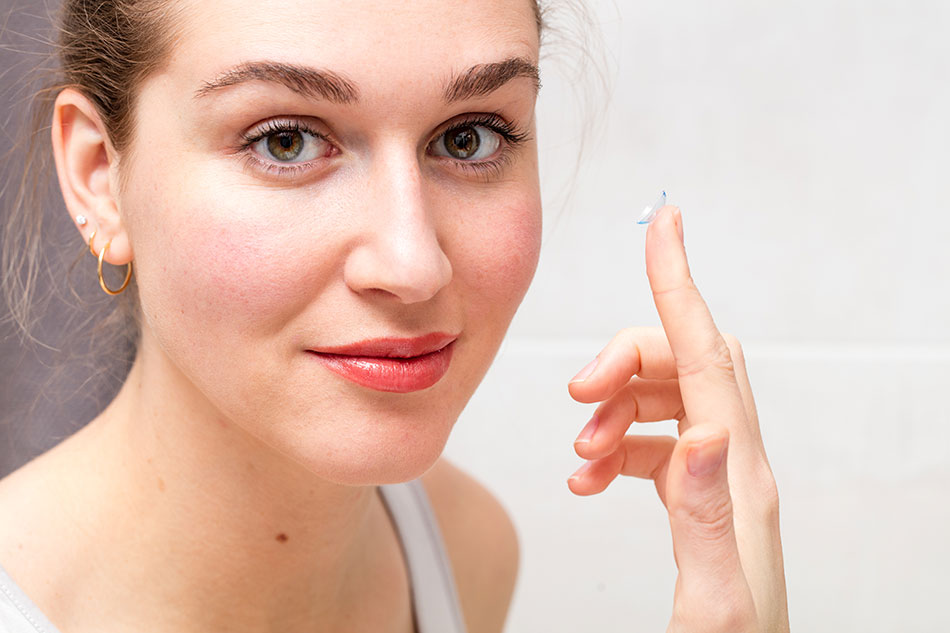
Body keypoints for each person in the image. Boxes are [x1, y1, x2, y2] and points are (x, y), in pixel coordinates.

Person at [0, 0, 789, 631]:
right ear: (100, 175)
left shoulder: (466, 545)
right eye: (285, 142)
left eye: (469, 136)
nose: (414, 265)